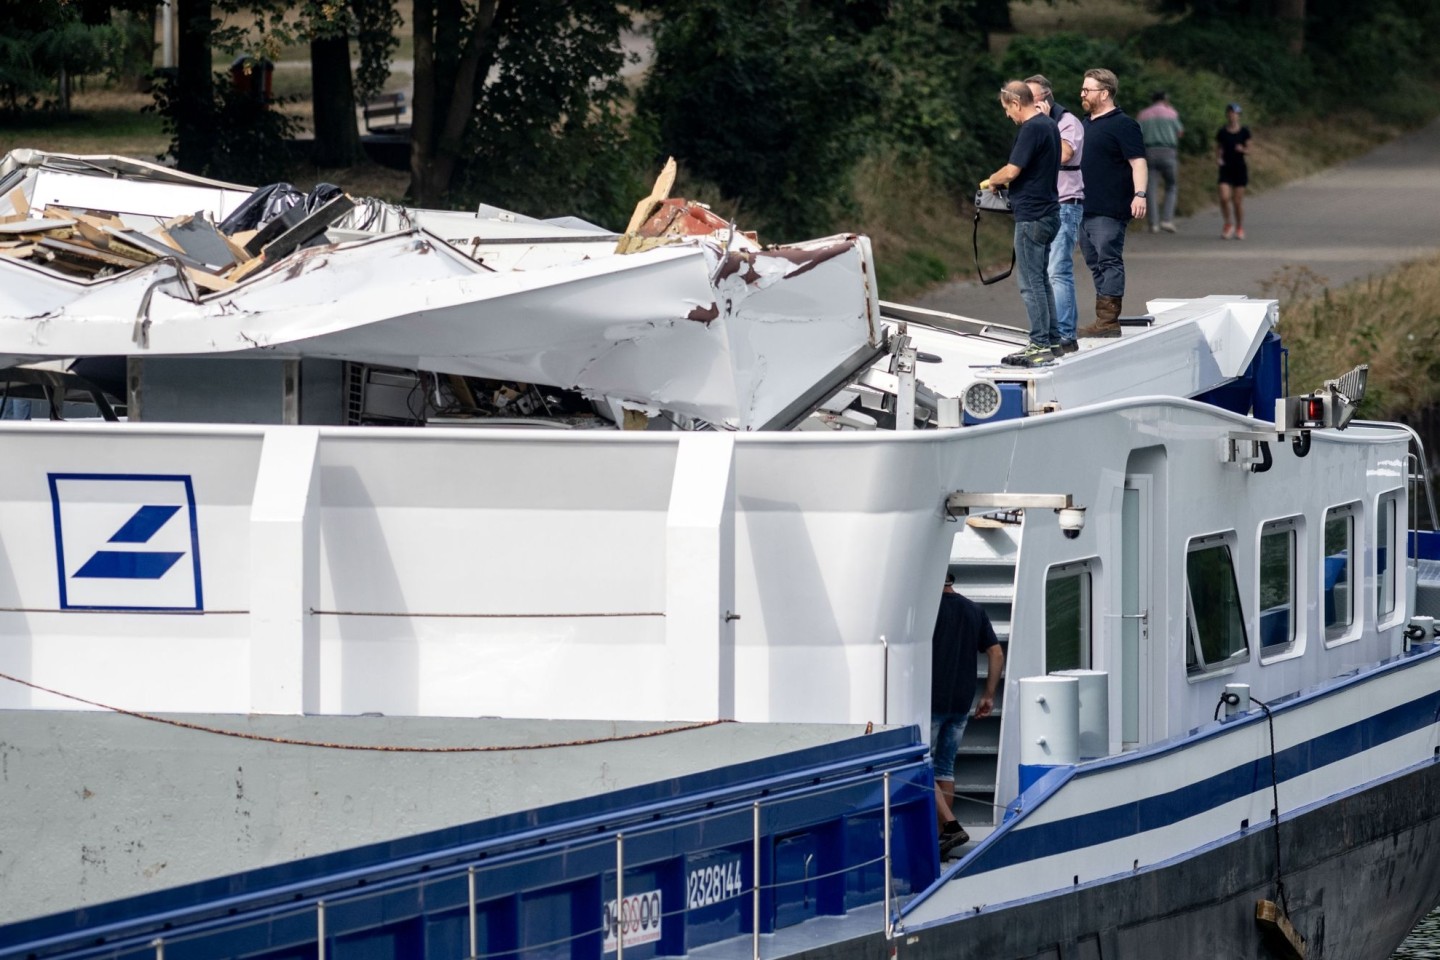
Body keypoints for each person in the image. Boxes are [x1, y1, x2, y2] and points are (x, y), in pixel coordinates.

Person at [981, 80, 1062, 367]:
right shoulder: (1049, 124)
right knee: (1041, 279)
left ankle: (1039, 344)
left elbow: (1012, 170)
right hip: (1050, 212)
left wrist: (992, 180)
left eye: (1007, 109)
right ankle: (1053, 340)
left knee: (1030, 284)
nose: (1007, 115)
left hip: (1033, 216)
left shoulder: (1030, 129)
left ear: (1016, 103)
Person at [931, 571, 1004, 858]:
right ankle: (941, 842)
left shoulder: (928, 609)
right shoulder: (975, 610)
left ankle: (949, 826)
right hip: (961, 701)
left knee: (920, 765)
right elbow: (996, 653)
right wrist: (988, 695)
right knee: (944, 769)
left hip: (930, 699)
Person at [1076, 68, 1148, 338]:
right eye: (1082, 89)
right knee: (1094, 262)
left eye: (1087, 90)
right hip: (1082, 206)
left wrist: (1139, 194)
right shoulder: (1085, 124)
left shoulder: (1123, 124)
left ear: (1104, 93)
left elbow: (1138, 162)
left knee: (1109, 259)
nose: (1082, 94)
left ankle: (1108, 321)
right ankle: (1102, 318)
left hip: (1109, 207)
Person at [1025, 74, 1084, 354]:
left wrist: (1045, 125)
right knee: (1042, 273)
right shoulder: (1033, 125)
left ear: (1045, 99)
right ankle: (1050, 334)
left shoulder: (1067, 122)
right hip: (1044, 206)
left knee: (1057, 271)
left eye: (1032, 98)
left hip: (1065, 203)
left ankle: (1065, 334)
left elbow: (1062, 155)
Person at [1136, 90, 1183, 233]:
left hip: (1149, 152)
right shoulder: (1171, 113)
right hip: (1168, 151)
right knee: (1171, 186)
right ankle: (1167, 220)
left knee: (1151, 188)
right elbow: (1180, 132)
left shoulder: (1143, 114)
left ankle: (1153, 223)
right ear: (1165, 99)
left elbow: (1137, 133)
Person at [1217, 102, 1252, 240]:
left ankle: (1239, 226)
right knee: (1224, 198)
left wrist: (1242, 149)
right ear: (1227, 115)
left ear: (1239, 116)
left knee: (1237, 202)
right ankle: (1227, 223)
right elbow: (1219, 148)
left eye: (1235, 113)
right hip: (1225, 168)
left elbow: (1249, 150)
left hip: (1239, 168)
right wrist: (1218, 158)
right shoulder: (1222, 132)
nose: (1232, 116)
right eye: (1230, 113)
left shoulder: (1244, 132)